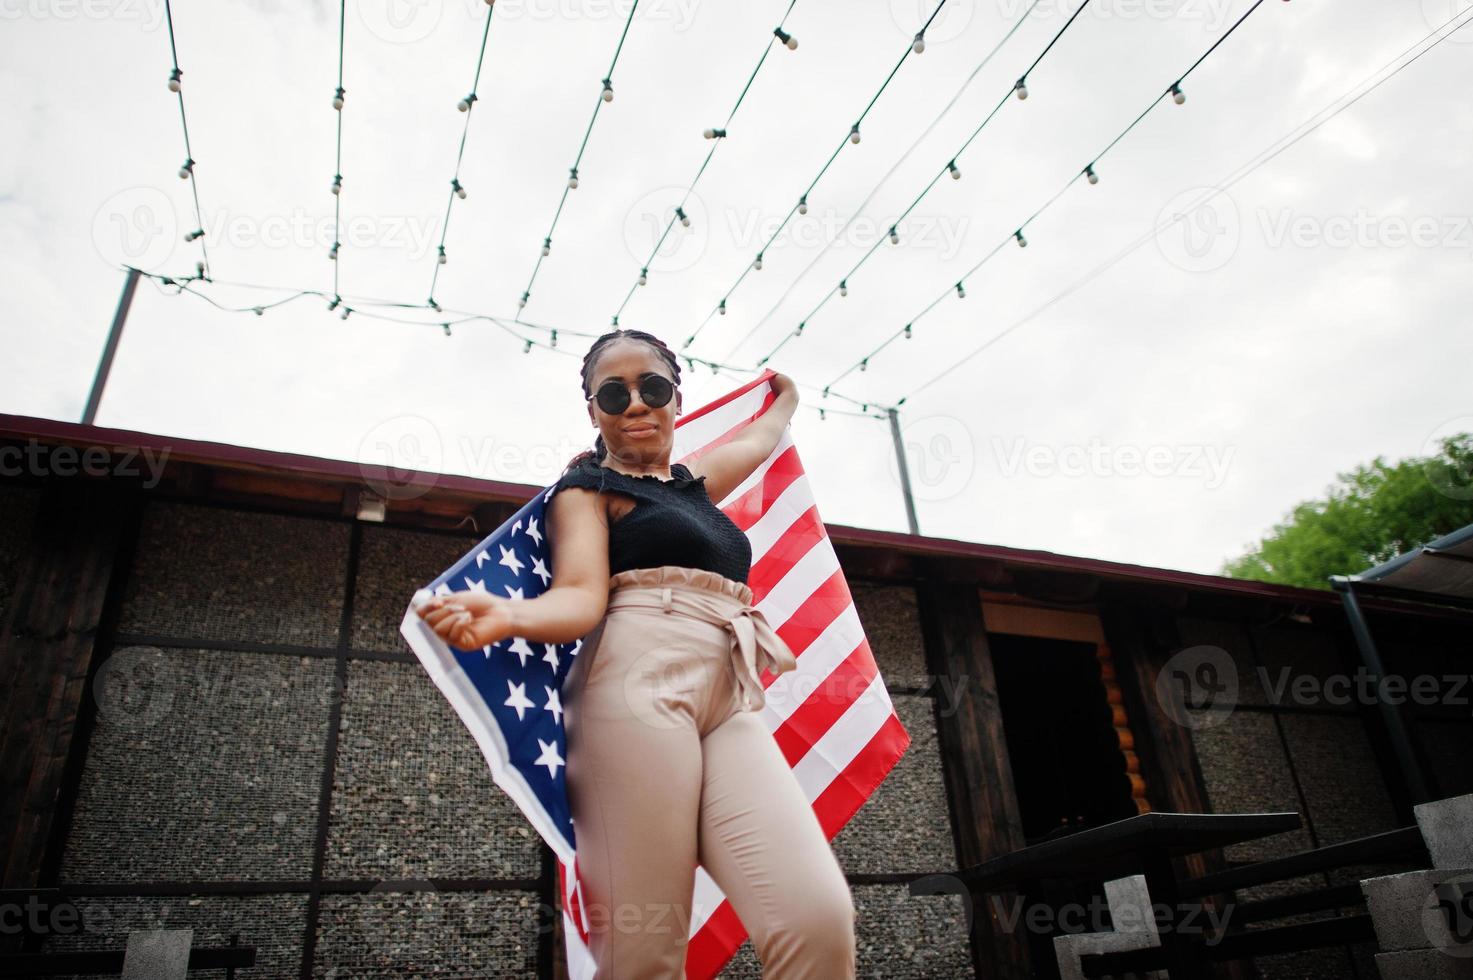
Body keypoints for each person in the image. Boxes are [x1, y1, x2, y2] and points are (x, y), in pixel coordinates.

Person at [416, 329, 857, 978]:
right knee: (643, 953)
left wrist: (784, 402)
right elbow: (579, 597)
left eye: (652, 387)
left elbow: (755, 443)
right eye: (612, 394)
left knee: (815, 916)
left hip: (728, 695)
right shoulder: (588, 491)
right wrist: (509, 614)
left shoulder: (691, 485)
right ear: (592, 410)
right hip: (635, 688)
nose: (635, 405)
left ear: (676, 396)